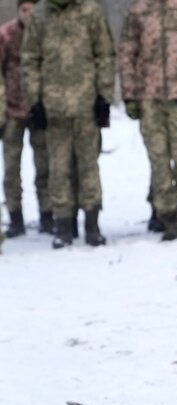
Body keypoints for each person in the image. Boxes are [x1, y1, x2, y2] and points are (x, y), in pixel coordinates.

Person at [21, 0, 115, 248]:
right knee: (58, 168)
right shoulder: (40, 14)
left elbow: (104, 53)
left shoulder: (89, 11)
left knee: (89, 166)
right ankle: (63, 225)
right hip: (54, 108)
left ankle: (92, 225)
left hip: (86, 104)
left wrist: (104, 96)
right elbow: (30, 59)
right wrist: (35, 102)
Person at [118, 0, 177, 241]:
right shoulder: (138, 10)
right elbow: (127, 52)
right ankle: (167, 217)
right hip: (149, 98)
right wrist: (129, 94)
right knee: (158, 160)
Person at [1, 0, 51, 238]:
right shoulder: (6, 34)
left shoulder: (45, 31)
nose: (27, 15)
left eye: (31, 10)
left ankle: (47, 215)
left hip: (38, 109)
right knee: (12, 168)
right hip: (12, 111)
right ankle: (15, 217)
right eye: (23, 10)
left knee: (44, 165)